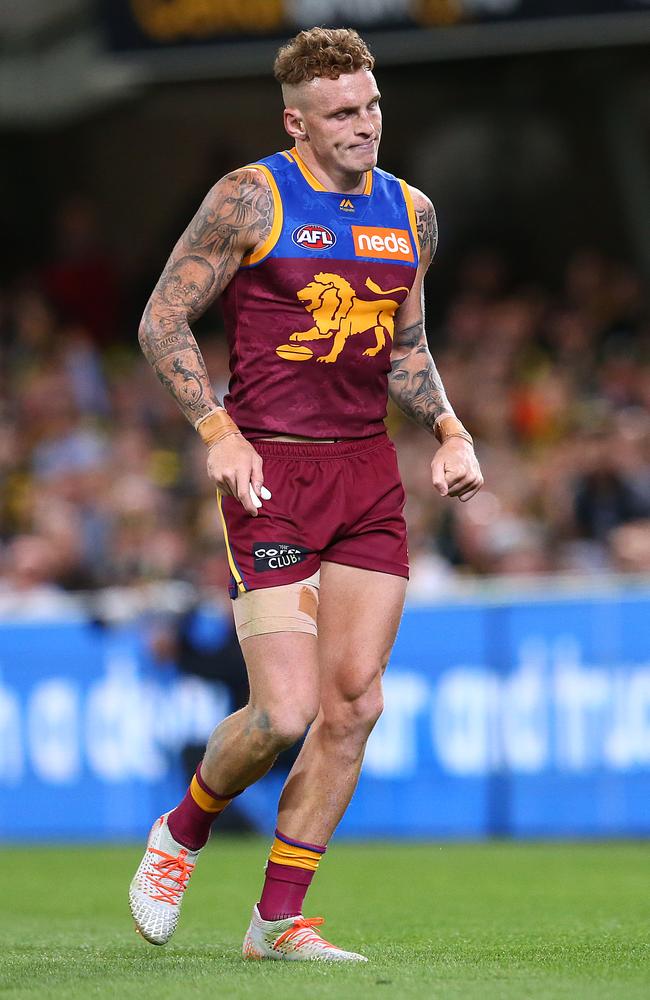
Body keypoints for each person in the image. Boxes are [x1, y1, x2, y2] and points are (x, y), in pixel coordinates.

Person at [129, 26, 483, 962]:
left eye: (371, 106)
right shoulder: (251, 198)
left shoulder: (412, 214)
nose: (365, 125)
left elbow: (405, 349)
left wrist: (448, 428)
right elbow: (162, 315)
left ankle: (277, 922)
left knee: (356, 702)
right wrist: (219, 429)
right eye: (342, 113)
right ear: (298, 121)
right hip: (271, 474)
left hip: (366, 471)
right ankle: (184, 830)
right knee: (283, 713)